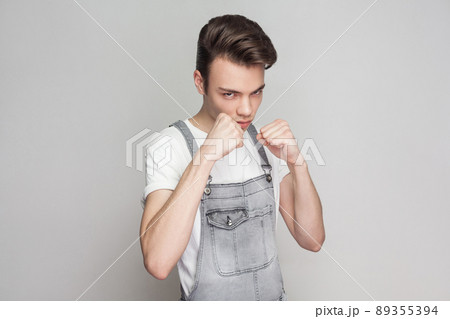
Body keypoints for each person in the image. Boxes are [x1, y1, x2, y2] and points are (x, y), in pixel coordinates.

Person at [139, 14, 325, 301]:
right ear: (200, 82)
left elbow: (311, 240)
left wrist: (296, 163)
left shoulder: (264, 145)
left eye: (256, 92)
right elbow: (158, 263)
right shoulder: (170, 146)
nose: (246, 110)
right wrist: (205, 157)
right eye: (230, 94)